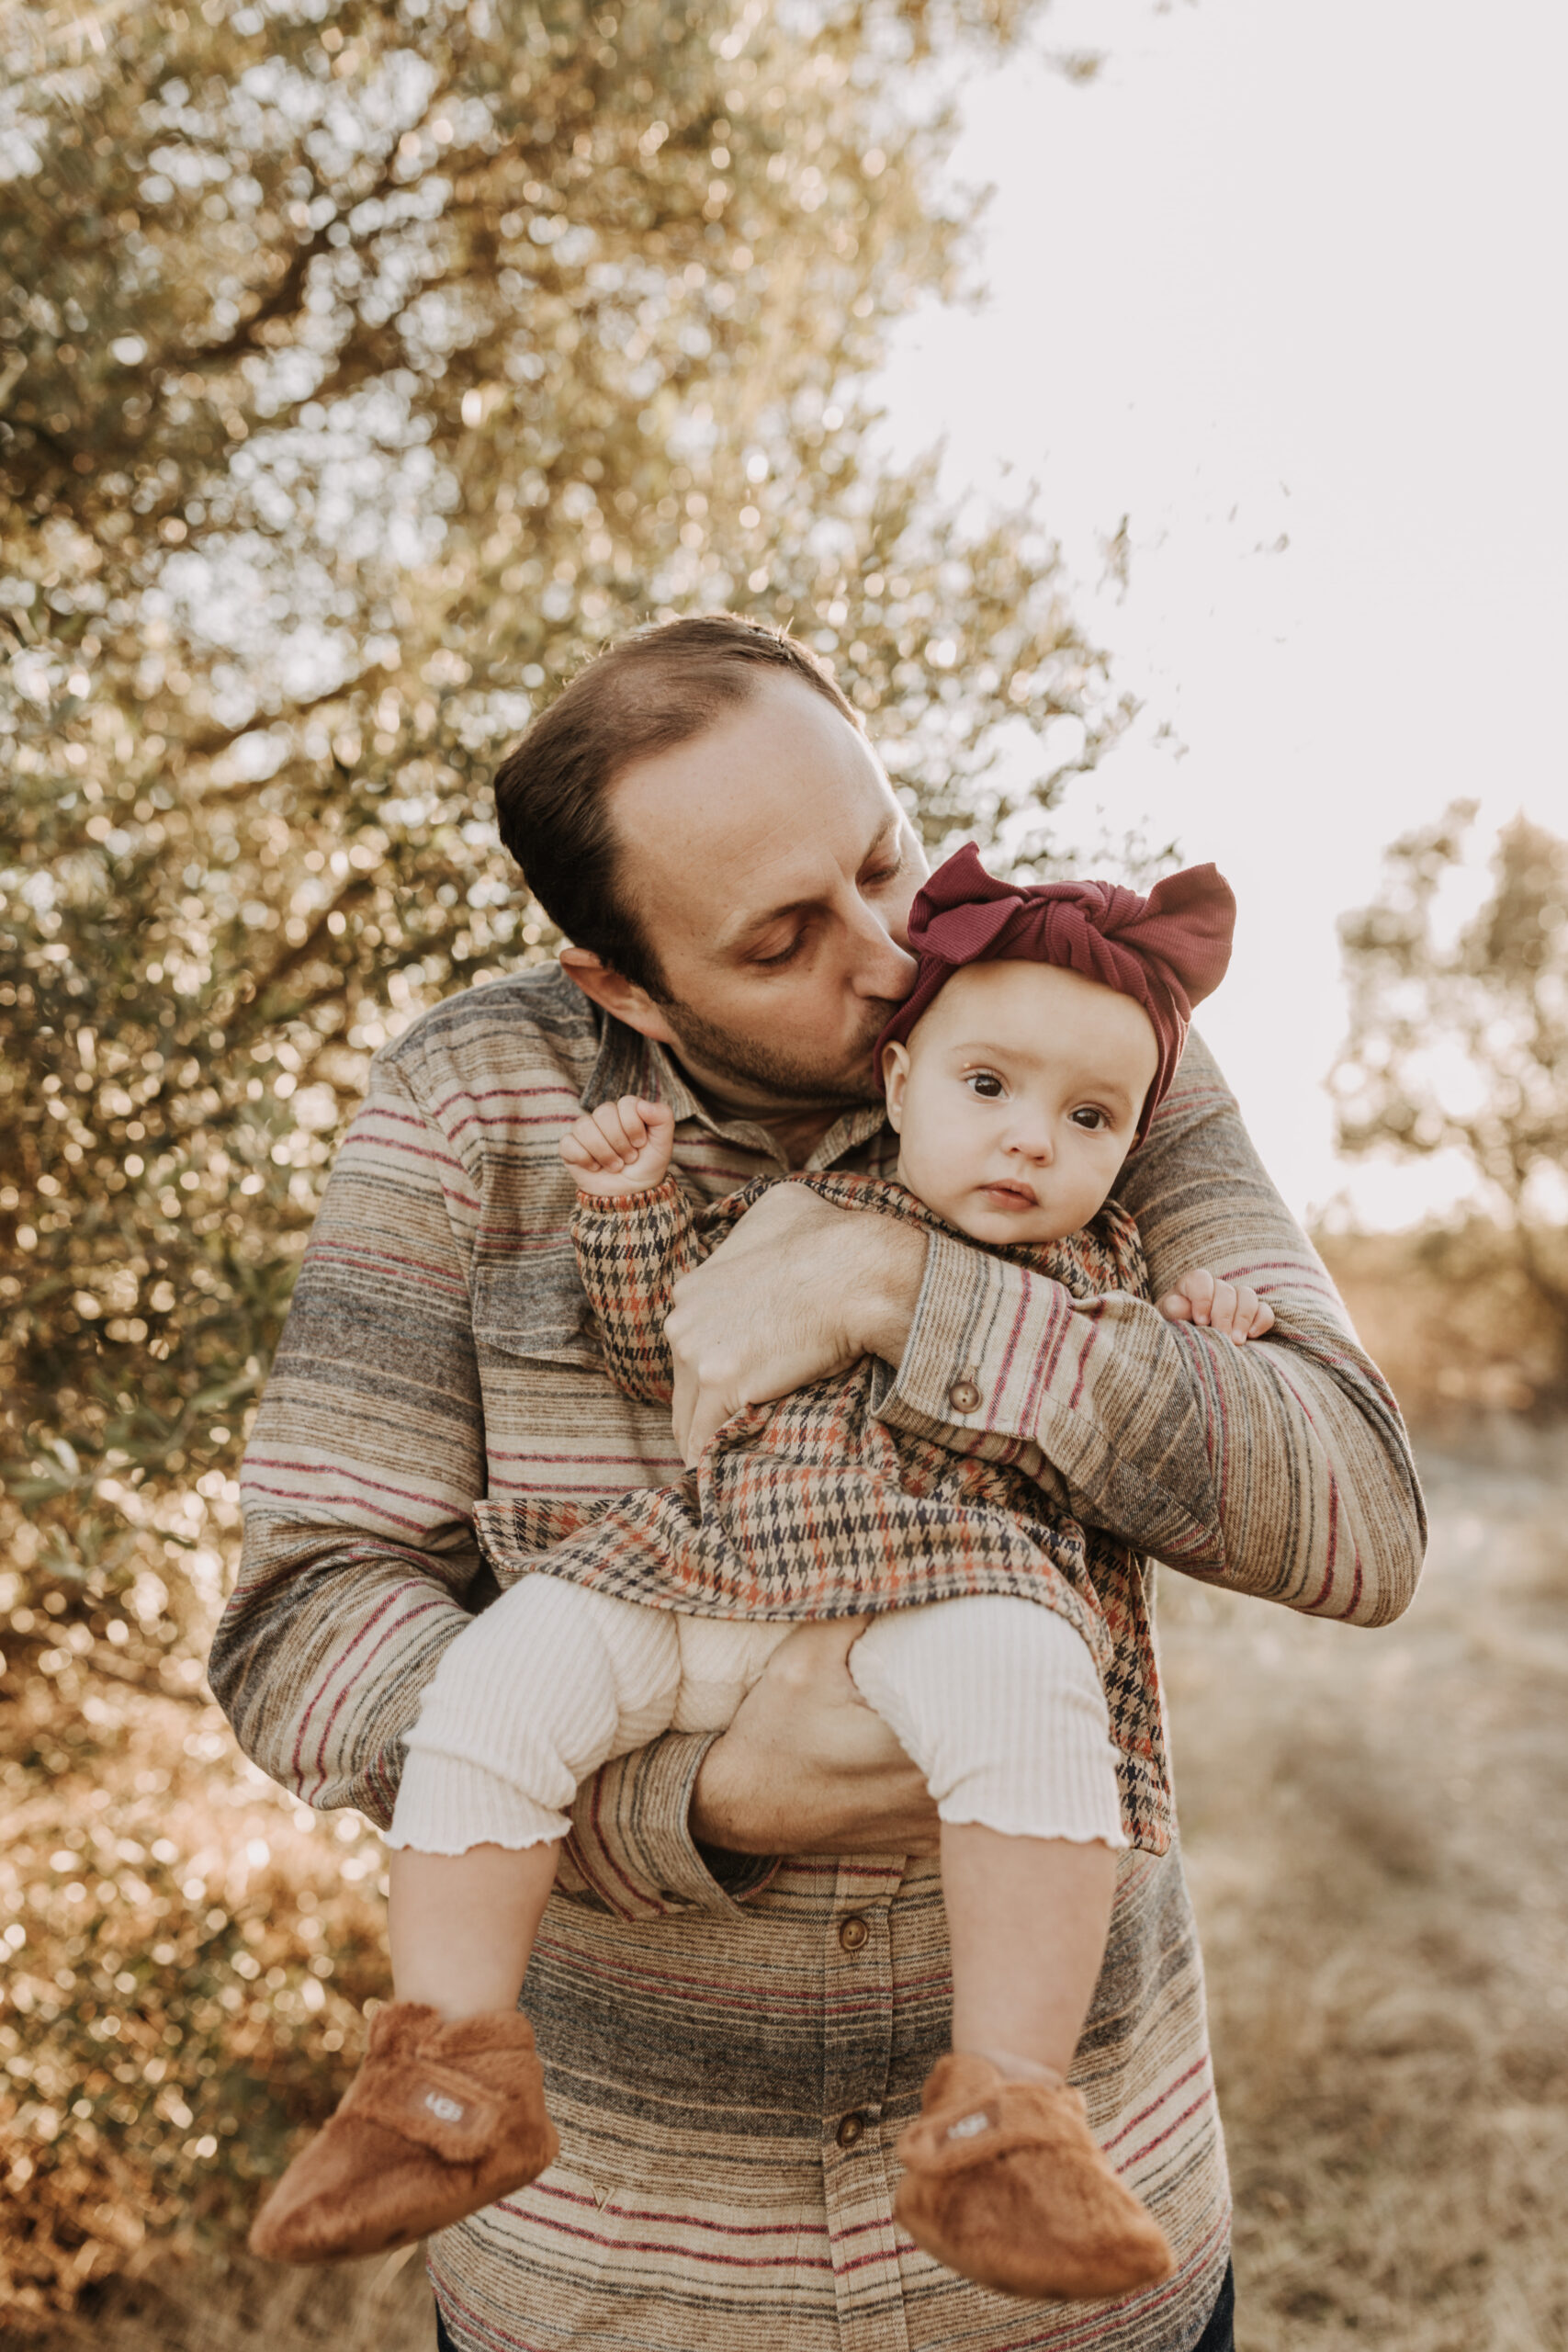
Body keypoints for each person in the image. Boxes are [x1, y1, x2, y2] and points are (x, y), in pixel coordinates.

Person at [212, 614, 1425, 2352]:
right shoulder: (470, 1106)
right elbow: (305, 1621)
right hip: (623, 2286)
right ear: (617, 981)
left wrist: (903, 1290)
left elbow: (1361, 1515)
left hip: (1073, 2296)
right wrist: (698, 1801)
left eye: (883, 862)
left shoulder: (1077, 1026)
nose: (879, 964)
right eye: (782, 938)